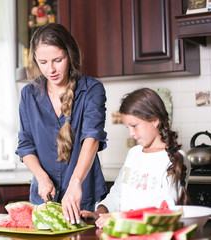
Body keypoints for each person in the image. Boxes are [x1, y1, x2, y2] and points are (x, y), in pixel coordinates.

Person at [15, 23, 108, 225]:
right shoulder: (29, 95)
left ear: (70, 55)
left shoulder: (92, 90)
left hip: (83, 193)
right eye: (43, 62)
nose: (51, 69)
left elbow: (92, 138)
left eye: (58, 60)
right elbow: (25, 144)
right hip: (43, 196)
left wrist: (76, 182)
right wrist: (41, 177)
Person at [81, 88, 191, 228]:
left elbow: (165, 207)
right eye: (127, 127)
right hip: (126, 232)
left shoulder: (176, 157)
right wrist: (100, 212)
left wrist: (120, 217)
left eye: (134, 126)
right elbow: (118, 193)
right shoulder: (134, 153)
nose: (131, 133)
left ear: (154, 120)